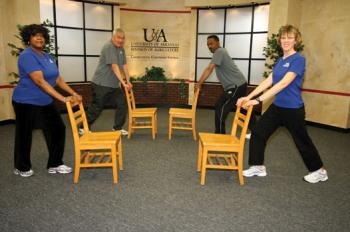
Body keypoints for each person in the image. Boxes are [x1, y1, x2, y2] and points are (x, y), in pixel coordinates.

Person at [237, 25, 328, 183]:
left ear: (296, 40)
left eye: (290, 37)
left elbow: (283, 83)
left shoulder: (298, 59)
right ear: (280, 40)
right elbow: (270, 80)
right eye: (283, 37)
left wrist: (258, 100)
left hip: (293, 109)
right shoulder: (281, 59)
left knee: (302, 140)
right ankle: (257, 166)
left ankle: (319, 171)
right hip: (278, 107)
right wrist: (248, 97)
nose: (286, 41)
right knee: (258, 132)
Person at [12, 24, 82, 177]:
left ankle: (55, 163)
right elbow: (40, 81)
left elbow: (57, 79)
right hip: (25, 101)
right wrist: (63, 99)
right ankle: (21, 166)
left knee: (58, 129)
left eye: (42, 36)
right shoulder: (27, 55)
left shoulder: (48, 56)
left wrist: (74, 93)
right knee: (24, 134)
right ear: (28, 39)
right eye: (35, 35)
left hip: (44, 100)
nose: (39, 38)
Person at [196, 35, 254, 135]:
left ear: (218, 43)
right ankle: (257, 131)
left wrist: (199, 83)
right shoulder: (220, 53)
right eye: (208, 45)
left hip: (236, 85)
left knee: (220, 106)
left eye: (211, 43)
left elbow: (209, 69)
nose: (209, 46)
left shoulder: (219, 51)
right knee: (244, 108)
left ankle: (219, 135)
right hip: (240, 84)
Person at [83, 28, 132, 136]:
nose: (120, 40)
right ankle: (84, 127)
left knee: (122, 104)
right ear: (113, 37)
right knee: (97, 107)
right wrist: (123, 83)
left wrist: (128, 80)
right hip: (101, 83)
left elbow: (124, 66)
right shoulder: (109, 47)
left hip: (114, 85)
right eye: (118, 38)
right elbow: (114, 67)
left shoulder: (121, 49)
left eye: (122, 38)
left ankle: (117, 128)